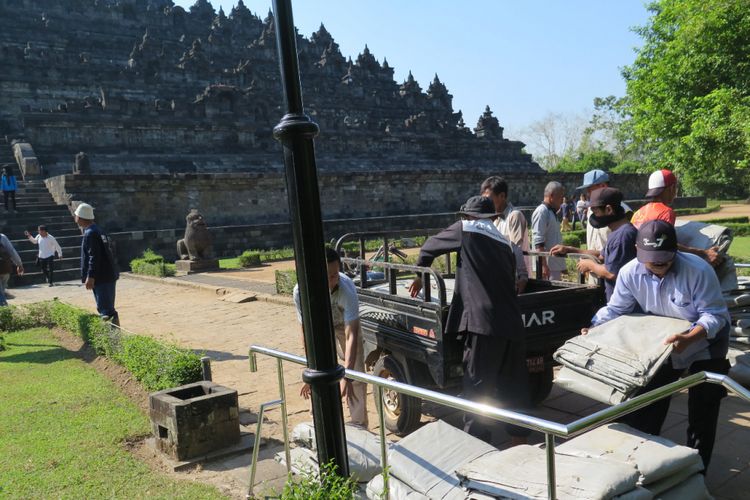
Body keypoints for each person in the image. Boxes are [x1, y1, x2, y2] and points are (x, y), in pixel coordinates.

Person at [587, 220, 730, 470]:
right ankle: (643, 465)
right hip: (663, 345)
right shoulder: (631, 273)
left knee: (703, 412)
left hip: (705, 344)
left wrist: (690, 338)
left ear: (676, 250)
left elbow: (715, 315)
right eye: (653, 261)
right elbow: (617, 309)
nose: (659, 266)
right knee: (646, 404)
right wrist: (594, 328)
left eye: (665, 259)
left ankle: (697, 471)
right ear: (638, 251)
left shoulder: (698, 271)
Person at [408, 195, 530, 445]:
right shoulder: (504, 242)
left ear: (469, 216)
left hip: (483, 323)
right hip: (512, 321)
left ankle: (477, 441)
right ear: (492, 218)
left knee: (478, 386)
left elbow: (430, 246)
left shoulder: (466, 229)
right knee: (512, 385)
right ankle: (519, 438)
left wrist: (421, 273)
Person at [293, 247, 368, 427]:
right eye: (328, 276)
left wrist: (348, 376)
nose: (333, 280)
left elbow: (352, 335)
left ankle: (359, 423)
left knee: (356, 373)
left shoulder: (346, 289)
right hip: (320, 326)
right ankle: (319, 419)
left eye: (335, 274)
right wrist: (310, 368)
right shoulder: (301, 291)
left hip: (344, 324)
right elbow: (306, 331)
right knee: (318, 372)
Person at [550, 188, 637, 300]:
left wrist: (590, 265)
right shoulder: (617, 232)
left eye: (596, 212)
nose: (594, 217)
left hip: (625, 303)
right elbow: (601, 255)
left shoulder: (623, 235)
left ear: (609, 209)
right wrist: (570, 249)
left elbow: (612, 273)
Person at [631, 169, 722, 267]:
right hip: (654, 263)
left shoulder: (638, 212)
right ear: (671, 188)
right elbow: (667, 244)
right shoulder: (666, 212)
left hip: (636, 260)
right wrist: (704, 253)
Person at [480, 176, 529, 293]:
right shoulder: (494, 219)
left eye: (489, 199)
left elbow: (516, 248)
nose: (487, 203)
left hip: (514, 279)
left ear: (502, 196)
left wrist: (522, 276)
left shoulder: (514, 216)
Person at [74, 202, 120, 325]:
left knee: (106, 311)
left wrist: (91, 276)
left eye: (76, 216)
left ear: (80, 218)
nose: (75, 218)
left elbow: (94, 257)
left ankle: (112, 340)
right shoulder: (98, 230)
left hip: (101, 277)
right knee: (107, 308)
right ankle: (113, 339)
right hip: (107, 274)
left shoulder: (90, 233)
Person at [531, 181, 567, 280]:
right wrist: (543, 266)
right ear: (551, 196)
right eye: (560, 197)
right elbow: (538, 242)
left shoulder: (551, 212)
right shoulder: (542, 211)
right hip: (548, 268)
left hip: (554, 266)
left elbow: (554, 238)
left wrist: (562, 265)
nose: (562, 201)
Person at [0, 232, 24, 303]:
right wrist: (19, 264)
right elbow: (12, 251)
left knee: (0, 294)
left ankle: (5, 310)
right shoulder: (2, 237)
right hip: (5, 268)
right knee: (2, 292)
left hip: (4, 268)